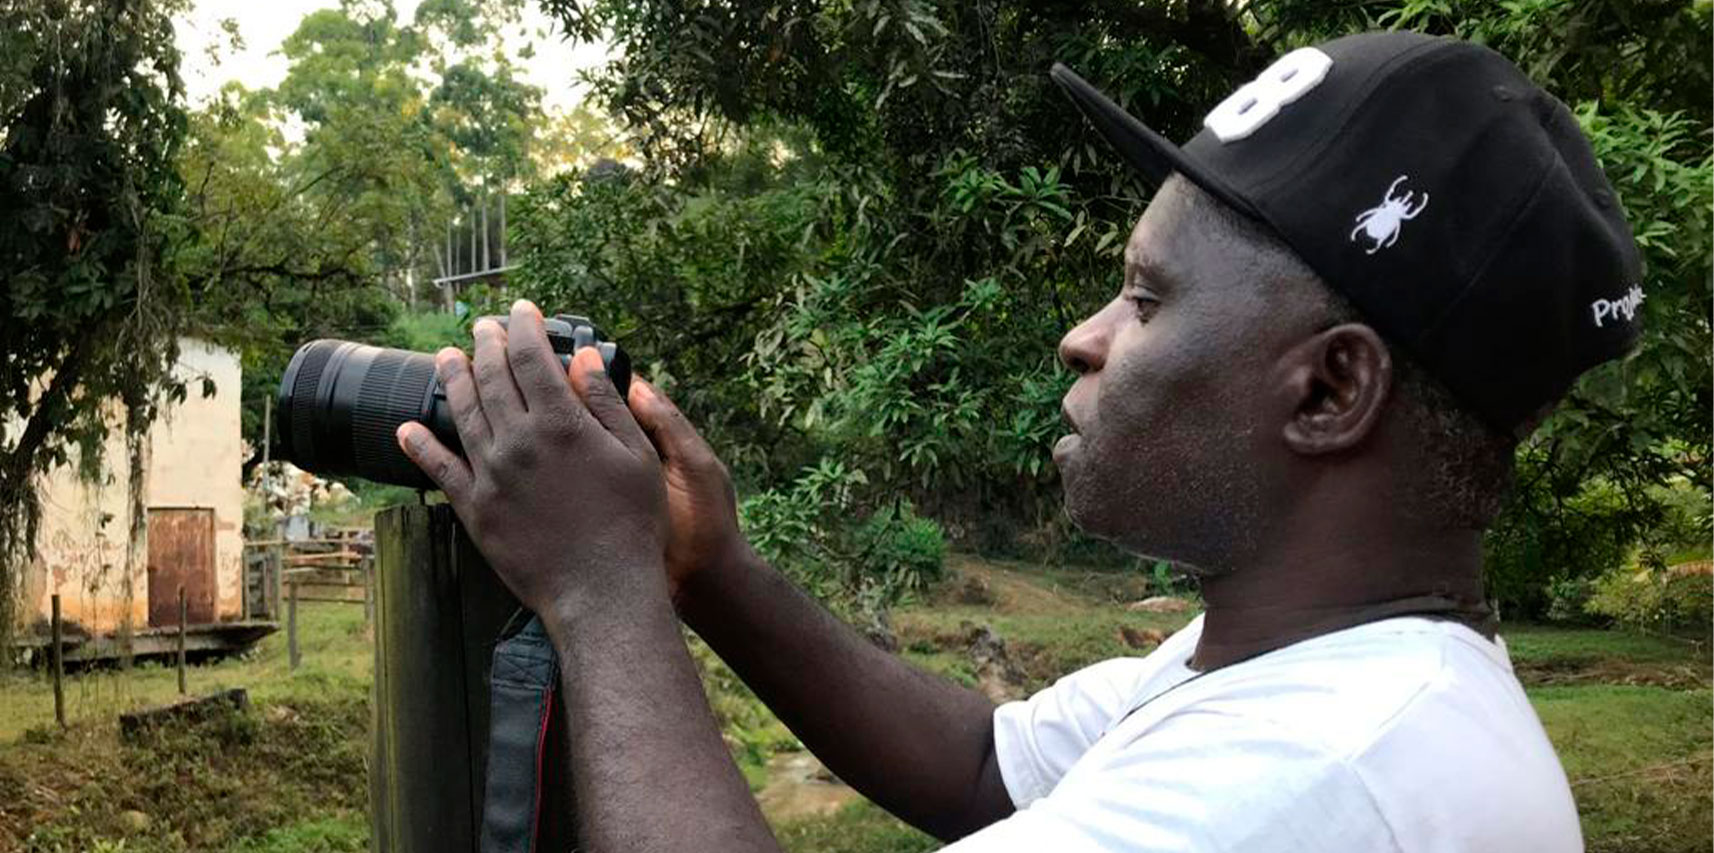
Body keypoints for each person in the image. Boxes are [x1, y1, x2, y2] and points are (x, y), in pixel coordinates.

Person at [396, 29, 1642, 853]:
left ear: (1328, 392)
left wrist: (599, 587)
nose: (1082, 338)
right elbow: (988, 770)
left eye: (1146, 300)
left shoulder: (1310, 780)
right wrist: (704, 568)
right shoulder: (1311, 670)